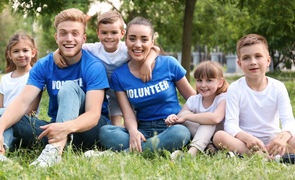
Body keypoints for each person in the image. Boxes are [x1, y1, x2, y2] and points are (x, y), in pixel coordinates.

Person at [0, 8, 110, 167]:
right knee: (1, 113)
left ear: (84, 38)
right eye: (63, 33)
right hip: (55, 130)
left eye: (75, 33)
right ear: (56, 37)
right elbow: (22, 102)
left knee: (69, 87)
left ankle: (54, 152)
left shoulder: (93, 66)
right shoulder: (44, 65)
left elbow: (93, 115)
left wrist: (65, 128)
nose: (69, 38)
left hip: (88, 131)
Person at [98, 17, 195, 154]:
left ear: (152, 42)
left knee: (181, 133)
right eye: (132, 39)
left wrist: (185, 117)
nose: (138, 45)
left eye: (144, 39)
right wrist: (133, 132)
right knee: (106, 132)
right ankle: (152, 148)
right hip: (142, 129)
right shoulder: (119, 75)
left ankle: (125, 153)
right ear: (125, 41)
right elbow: (128, 114)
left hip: (171, 126)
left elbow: (193, 99)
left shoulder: (168, 64)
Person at [54, 10, 160, 126]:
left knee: (133, 114)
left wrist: (147, 63)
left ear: (122, 33)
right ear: (98, 33)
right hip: (106, 89)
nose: (109, 37)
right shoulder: (94, 48)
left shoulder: (126, 50)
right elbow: (73, 46)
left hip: (126, 87)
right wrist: (57, 52)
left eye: (114, 32)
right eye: (104, 33)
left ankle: (138, 130)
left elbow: (155, 49)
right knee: (114, 120)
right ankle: (116, 132)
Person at [213, 34, 295, 160]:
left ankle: (267, 155)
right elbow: (230, 124)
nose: (253, 62)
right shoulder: (235, 88)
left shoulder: (278, 87)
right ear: (239, 64)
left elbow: (288, 121)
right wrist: (247, 138)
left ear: (268, 60)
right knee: (219, 136)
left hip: (273, 140)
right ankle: (268, 157)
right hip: (245, 142)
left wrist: (282, 138)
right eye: (246, 58)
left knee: (292, 138)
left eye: (258, 56)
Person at [165, 61, 228, 157]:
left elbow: (215, 118)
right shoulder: (193, 100)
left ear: (220, 83)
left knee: (208, 122)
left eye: (209, 80)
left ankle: (191, 154)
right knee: (184, 114)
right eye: (199, 80)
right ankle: (209, 147)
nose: (203, 85)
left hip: (219, 137)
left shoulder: (223, 98)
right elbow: (181, 117)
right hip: (202, 135)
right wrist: (173, 118)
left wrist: (188, 117)